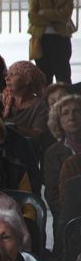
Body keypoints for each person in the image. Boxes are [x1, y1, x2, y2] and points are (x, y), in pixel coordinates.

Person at [28, 0, 76, 84]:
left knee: (63, 77)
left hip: (61, 40)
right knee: (44, 79)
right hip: (41, 40)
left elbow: (65, 15)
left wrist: (43, 12)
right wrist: (55, 15)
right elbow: (32, 17)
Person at [43, 94, 81, 222]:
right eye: (65, 113)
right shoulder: (51, 154)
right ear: (58, 120)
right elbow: (52, 195)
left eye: (77, 111)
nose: (71, 117)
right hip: (69, 218)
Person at [3, 60, 50, 141]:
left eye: (13, 74)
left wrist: (12, 128)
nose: (7, 78)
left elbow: (38, 135)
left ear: (27, 80)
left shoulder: (40, 106)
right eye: (8, 74)